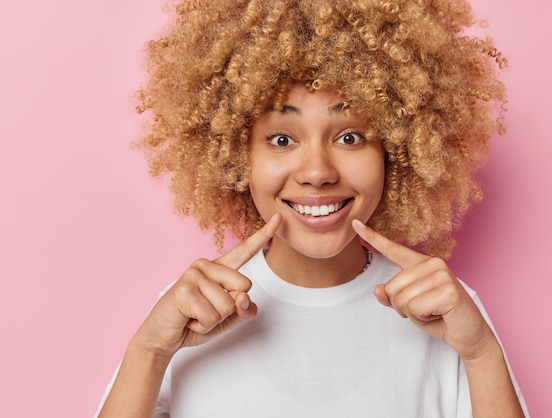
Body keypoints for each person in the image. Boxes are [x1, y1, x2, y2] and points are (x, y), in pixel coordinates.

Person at [98, 0, 528, 416]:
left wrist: (481, 353)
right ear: (235, 155)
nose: (318, 172)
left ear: (395, 153)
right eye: (282, 139)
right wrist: (149, 351)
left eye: (350, 137)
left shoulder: (450, 313)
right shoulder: (186, 316)